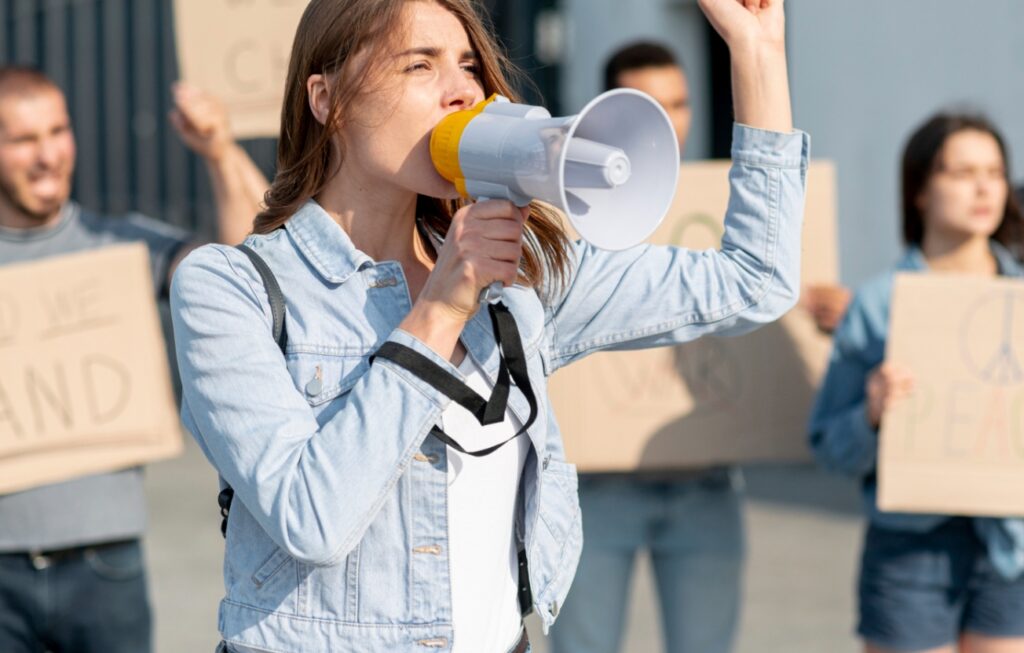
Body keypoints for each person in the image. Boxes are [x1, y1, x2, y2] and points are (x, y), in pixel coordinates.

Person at [169, 0, 806, 651]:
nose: (463, 91)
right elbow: (313, 517)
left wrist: (757, 53)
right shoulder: (232, 288)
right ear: (326, 97)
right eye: (420, 64)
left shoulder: (519, 275)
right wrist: (441, 306)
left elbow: (756, 278)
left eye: (470, 66)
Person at [0, 67, 267, 653]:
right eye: (23, 140)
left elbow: (248, 271)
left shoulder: (124, 246)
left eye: (58, 131)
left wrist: (220, 152)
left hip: (106, 566)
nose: (48, 155)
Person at [550, 40, 746, 653]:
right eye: (652, 103)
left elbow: (755, 298)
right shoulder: (562, 212)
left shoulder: (724, 211)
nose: (672, 118)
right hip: (597, 486)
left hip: (706, 479)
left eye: (681, 102)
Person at [809, 112, 1024, 653]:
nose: (982, 187)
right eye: (962, 172)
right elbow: (830, 448)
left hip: (1012, 548)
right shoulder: (880, 305)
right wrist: (871, 414)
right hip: (910, 551)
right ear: (921, 190)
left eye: (995, 172)